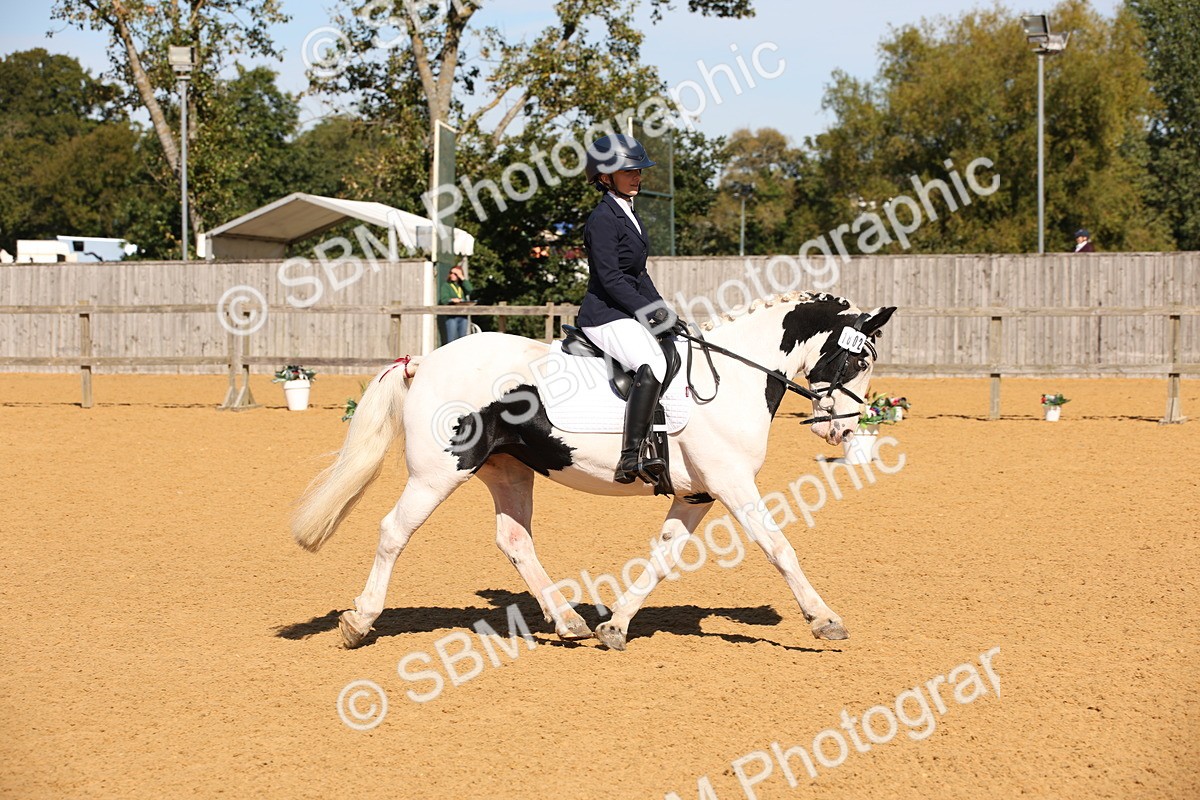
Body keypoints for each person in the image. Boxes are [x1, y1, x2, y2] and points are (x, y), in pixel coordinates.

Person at [577, 134, 683, 484]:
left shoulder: (628, 212)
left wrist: (662, 310)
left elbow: (638, 274)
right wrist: (649, 313)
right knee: (650, 361)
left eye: (639, 170)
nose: (637, 176)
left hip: (624, 309)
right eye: (629, 171)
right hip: (603, 314)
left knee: (675, 348)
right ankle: (631, 455)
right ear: (606, 177)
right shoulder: (603, 218)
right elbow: (610, 278)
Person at [438, 262, 473, 344]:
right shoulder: (446, 286)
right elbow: (444, 299)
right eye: (451, 273)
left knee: (463, 339)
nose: (452, 275)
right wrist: (452, 300)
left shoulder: (461, 286)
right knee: (451, 341)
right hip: (452, 316)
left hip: (463, 315)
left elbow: (470, 290)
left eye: (455, 274)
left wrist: (462, 278)